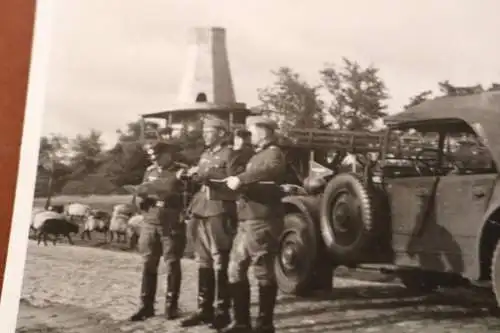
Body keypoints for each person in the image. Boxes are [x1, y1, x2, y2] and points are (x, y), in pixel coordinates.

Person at [220, 116, 287, 333]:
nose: (251, 135)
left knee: (263, 270)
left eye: (253, 130)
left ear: (264, 131)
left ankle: (265, 324)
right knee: (235, 269)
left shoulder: (273, 153)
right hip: (248, 218)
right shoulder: (257, 155)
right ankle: (241, 322)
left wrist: (242, 179)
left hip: (262, 219)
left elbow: (270, 171)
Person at [178, 117, 242, 330]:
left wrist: (206, 176)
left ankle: (222, 311)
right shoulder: (206, 154)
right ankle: (204, 309)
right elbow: (201, 179)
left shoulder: (230, 154)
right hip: (200, 210)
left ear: (222, 133)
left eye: (210, 131)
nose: (205, 134)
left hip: (219, 210)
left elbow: (234, 184)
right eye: (204, 131)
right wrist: (190, 176)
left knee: (220, 261)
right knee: (202, 260)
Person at [129, 141, 186, 322]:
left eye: (158, 156)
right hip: (150, 221)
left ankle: (171, 306)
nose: (155, 160)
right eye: (152, 157)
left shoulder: (181, 171)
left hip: (171, 222)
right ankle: (146, 306)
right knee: (148, 263)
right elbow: (139, 194)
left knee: (172, 263)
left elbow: (188, 197)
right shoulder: (150, 171)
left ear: (168, 154)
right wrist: (140, 198)